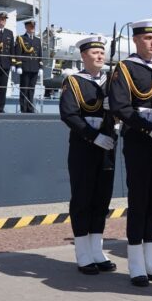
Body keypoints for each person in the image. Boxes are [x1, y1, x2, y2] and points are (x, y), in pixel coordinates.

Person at [108, 18, 152, 287]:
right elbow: (120, 107)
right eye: (147, 38)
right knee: (139, 202)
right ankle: (136, 263)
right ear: (136, 40)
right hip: (139, 141)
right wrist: (148, 127)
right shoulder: (125, 69)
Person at [59, 36, 117, 275]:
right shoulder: (73, 82)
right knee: (83, 199)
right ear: (83, 56)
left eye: (102, 53)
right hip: (85, 147)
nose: (99, 56)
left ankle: (97, 250)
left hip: (107, 146)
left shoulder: (111, 82)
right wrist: (93, 136)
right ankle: (83, 254)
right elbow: (69, 115)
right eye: (94, 53)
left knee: (101, 200)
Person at [15, 19, 43, 113]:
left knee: (31, 90)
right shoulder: (21, 39)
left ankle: (30, 108)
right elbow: (18, 53)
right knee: (24, 89)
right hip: (25, 67)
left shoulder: (37, 40)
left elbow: (39, 55)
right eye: (31, 26)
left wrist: (41, 67)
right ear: (26, 27)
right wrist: (18, 66)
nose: (32, 28)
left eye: (33, 26)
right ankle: (23, 109)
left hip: (35, 68)